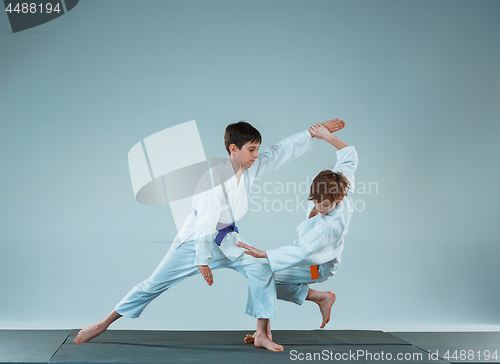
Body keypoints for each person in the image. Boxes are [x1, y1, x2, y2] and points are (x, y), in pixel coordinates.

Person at [73, 119, 345, 352]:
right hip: (195, 243)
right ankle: (103, 323)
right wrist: (202, 260)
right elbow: (204, 221)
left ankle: (263, 333)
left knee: (262, 267)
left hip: (227, 239)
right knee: (153, 284)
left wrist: (311, 133)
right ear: (233, 149)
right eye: (251, 149)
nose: (256, 154)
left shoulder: (249, 167)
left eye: (257, 149)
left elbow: (278, 152)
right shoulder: (215, 179)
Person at [237, 122, 358, 341]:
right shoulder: (339, 182)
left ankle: (268, 330)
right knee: (262, 276)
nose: (320, 208)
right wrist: (327, 137)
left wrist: (264, 253)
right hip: (310, 257)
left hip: (317, 266)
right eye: (316, 202)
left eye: (326, 206)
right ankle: (263, 331)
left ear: (339, 199)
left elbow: (303, 252)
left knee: (264, 276)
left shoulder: (330, 226)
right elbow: (349, 156)